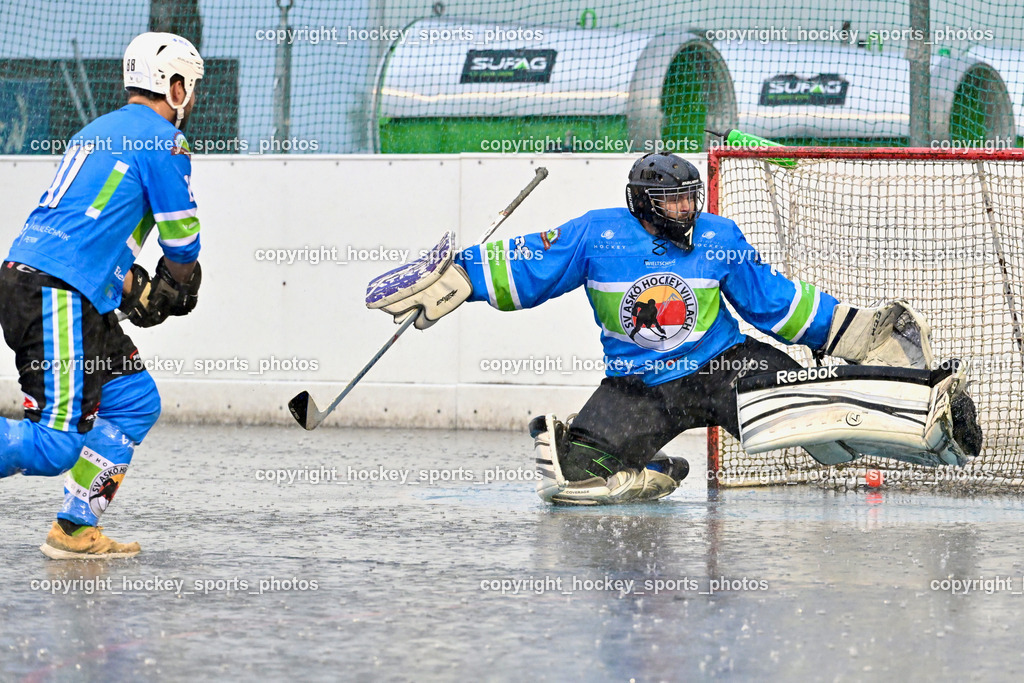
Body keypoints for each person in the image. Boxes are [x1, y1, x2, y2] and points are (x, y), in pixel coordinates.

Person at [369, 152, 980, 504]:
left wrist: (849, 331)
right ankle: (648, 470)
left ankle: (929, 414)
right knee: (571, 478)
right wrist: (465, 277)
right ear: (642, 201)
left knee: (808, 412)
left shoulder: (718, 237)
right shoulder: (597, 233)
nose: (687, 209)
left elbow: (774, 303)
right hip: (639, 385)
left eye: (691, 198)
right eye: (674, 201)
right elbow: (530, 263)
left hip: (725, 367)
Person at [0, 32, 204, 556]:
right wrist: (177, 282)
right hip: (58, 292)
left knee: (134, 403)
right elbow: (181, 241)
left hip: (56, 285)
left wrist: (128, 282)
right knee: (54, 444)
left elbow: (93, 225)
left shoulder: (99, 128)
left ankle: (74, 529)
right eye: (191, 86)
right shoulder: (165, 139)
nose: (193, 97)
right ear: (174, 87)